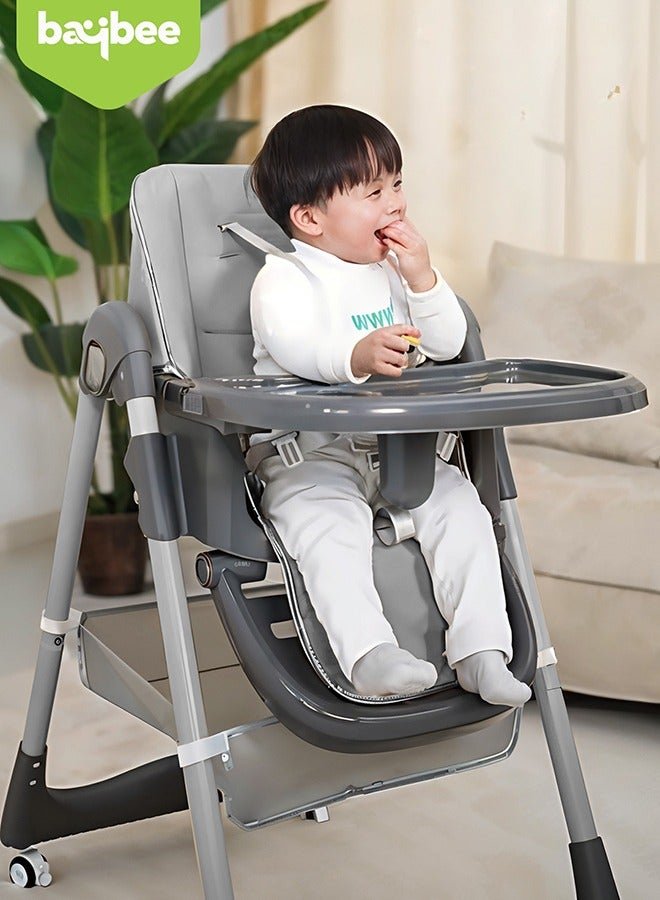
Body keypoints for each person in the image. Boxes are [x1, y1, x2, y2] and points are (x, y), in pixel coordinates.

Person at [246, 104, 531, 706]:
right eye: (373, 193)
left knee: (462, 511)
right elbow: (292, 342)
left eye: (397, 184)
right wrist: (354, 355)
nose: (395, 204)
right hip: (311, 456)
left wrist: (423, 279)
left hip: (401, 452)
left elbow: (449, 343)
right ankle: (369, 655)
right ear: (309, 218)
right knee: (327, 529)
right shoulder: (285, 278)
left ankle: (482, 650)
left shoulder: (395, 272)